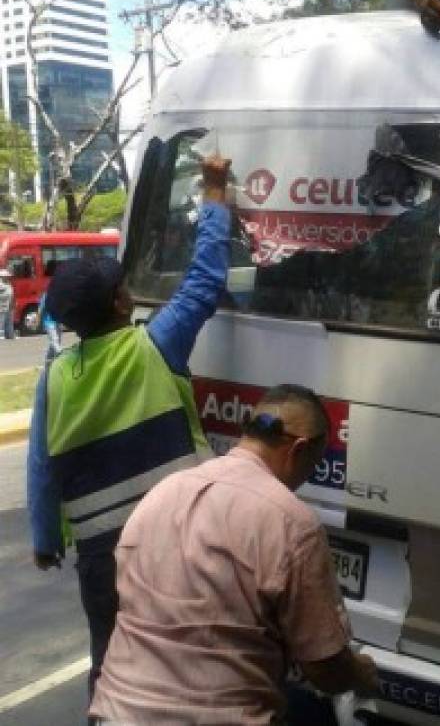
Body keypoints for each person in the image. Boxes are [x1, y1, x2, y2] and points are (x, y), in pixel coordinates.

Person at [27, 154, 232, 706]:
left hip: (101, 557)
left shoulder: (55, 378)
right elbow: (206, 279)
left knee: (112, 664)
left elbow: (43, 469)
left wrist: (46, 540)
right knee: (189, 662)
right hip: (175, 543)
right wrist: (215, 194)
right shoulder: (155, 344)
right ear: (122, 301)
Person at [90, 383, 379, 725]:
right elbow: (326, 670)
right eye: (314, 465)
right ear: (299, 450)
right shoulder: (290, 521)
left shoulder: (164, 492)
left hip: (114, 711)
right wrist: (361, 675)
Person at [0, 269, 15, 339]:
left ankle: (10, 335)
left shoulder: (8, 283)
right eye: (6, 276)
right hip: (2, 306)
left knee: (9, 321)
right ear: (2, 277)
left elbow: (11, 294)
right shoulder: (1, 284)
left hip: (10, 306)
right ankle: (1, 336)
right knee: (1, 322)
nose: (8, 277)